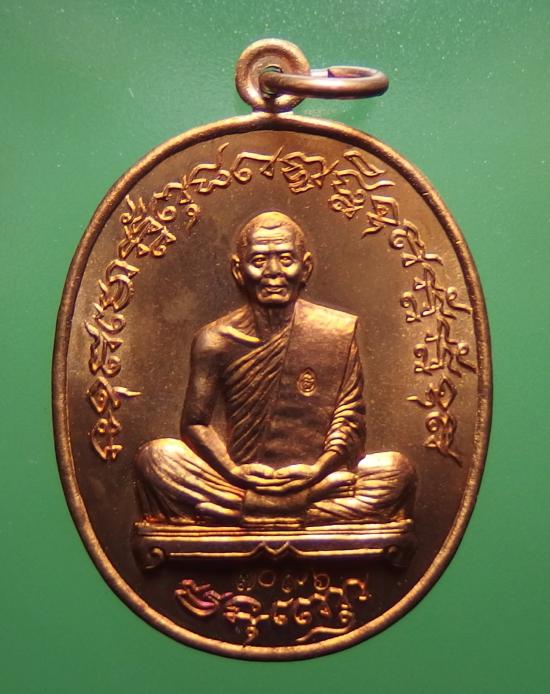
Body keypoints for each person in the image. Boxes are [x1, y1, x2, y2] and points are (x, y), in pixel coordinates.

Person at [135, 211, 415, 528]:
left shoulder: (335, 332)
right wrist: (233, 471)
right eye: (258, 260)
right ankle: (294, 509)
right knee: (156, 458)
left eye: (285, 259)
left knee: (396, 471)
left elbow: (349, 420)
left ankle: (240, 512)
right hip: (238, 481)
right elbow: (195, 424)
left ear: (305, 268)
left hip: (318, 479)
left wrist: (319, 469)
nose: (273, 272)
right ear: (238, 271)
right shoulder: (214, 340)